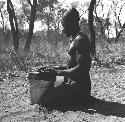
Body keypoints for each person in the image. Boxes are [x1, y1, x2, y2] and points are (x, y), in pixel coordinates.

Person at [38, 7, 92, 107]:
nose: (62, 29)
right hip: (73, 84)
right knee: (44, 95)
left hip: (79, 88)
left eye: (64, 25)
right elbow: (71, 66)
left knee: (43, 100)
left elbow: (82, 69)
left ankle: (78, 100)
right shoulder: (75, 39)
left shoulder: (81, 40)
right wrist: (52, 68)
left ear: (72, 23)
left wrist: (57, 72)